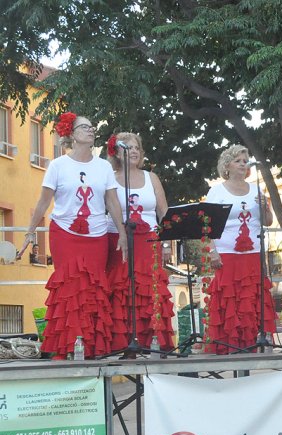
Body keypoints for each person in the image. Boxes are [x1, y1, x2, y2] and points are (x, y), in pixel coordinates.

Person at [18, 112, 127, 358]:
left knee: (92, 288)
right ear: (71, 135)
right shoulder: (58, 165)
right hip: (65, 233)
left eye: (92, 127)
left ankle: (91, 347)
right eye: (84, 127)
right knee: (69, 287)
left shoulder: (103, 167)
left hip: (96, 234)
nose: (91, 130)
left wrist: (121, 233)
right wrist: (29, 232)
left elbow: (113, 201)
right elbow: (43, 202)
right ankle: (66, 347)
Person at [106, 132, 175, 350]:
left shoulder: (151, 177)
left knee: (149, 288)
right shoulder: (110, 177)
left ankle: (152, 342)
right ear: (117, 152)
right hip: (120, 240)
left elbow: (163, 211)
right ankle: (122, 344)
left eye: (137, 147)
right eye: (128, 147)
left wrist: (166, 244)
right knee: (122, 289)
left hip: (149, 241)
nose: (134, 151)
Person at [205, 145, 276, 353]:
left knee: (250, 301)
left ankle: (250, 345)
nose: (243, 164)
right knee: (229, 300)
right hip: (227, 253)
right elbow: (207, 224)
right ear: (227, 165)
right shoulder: (217, 190)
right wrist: (212, 251)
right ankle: (229, 346)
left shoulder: (256, 188)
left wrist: (265, 207)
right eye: (238, 161)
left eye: (245, 161)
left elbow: (269, 221)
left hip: (252, 253)